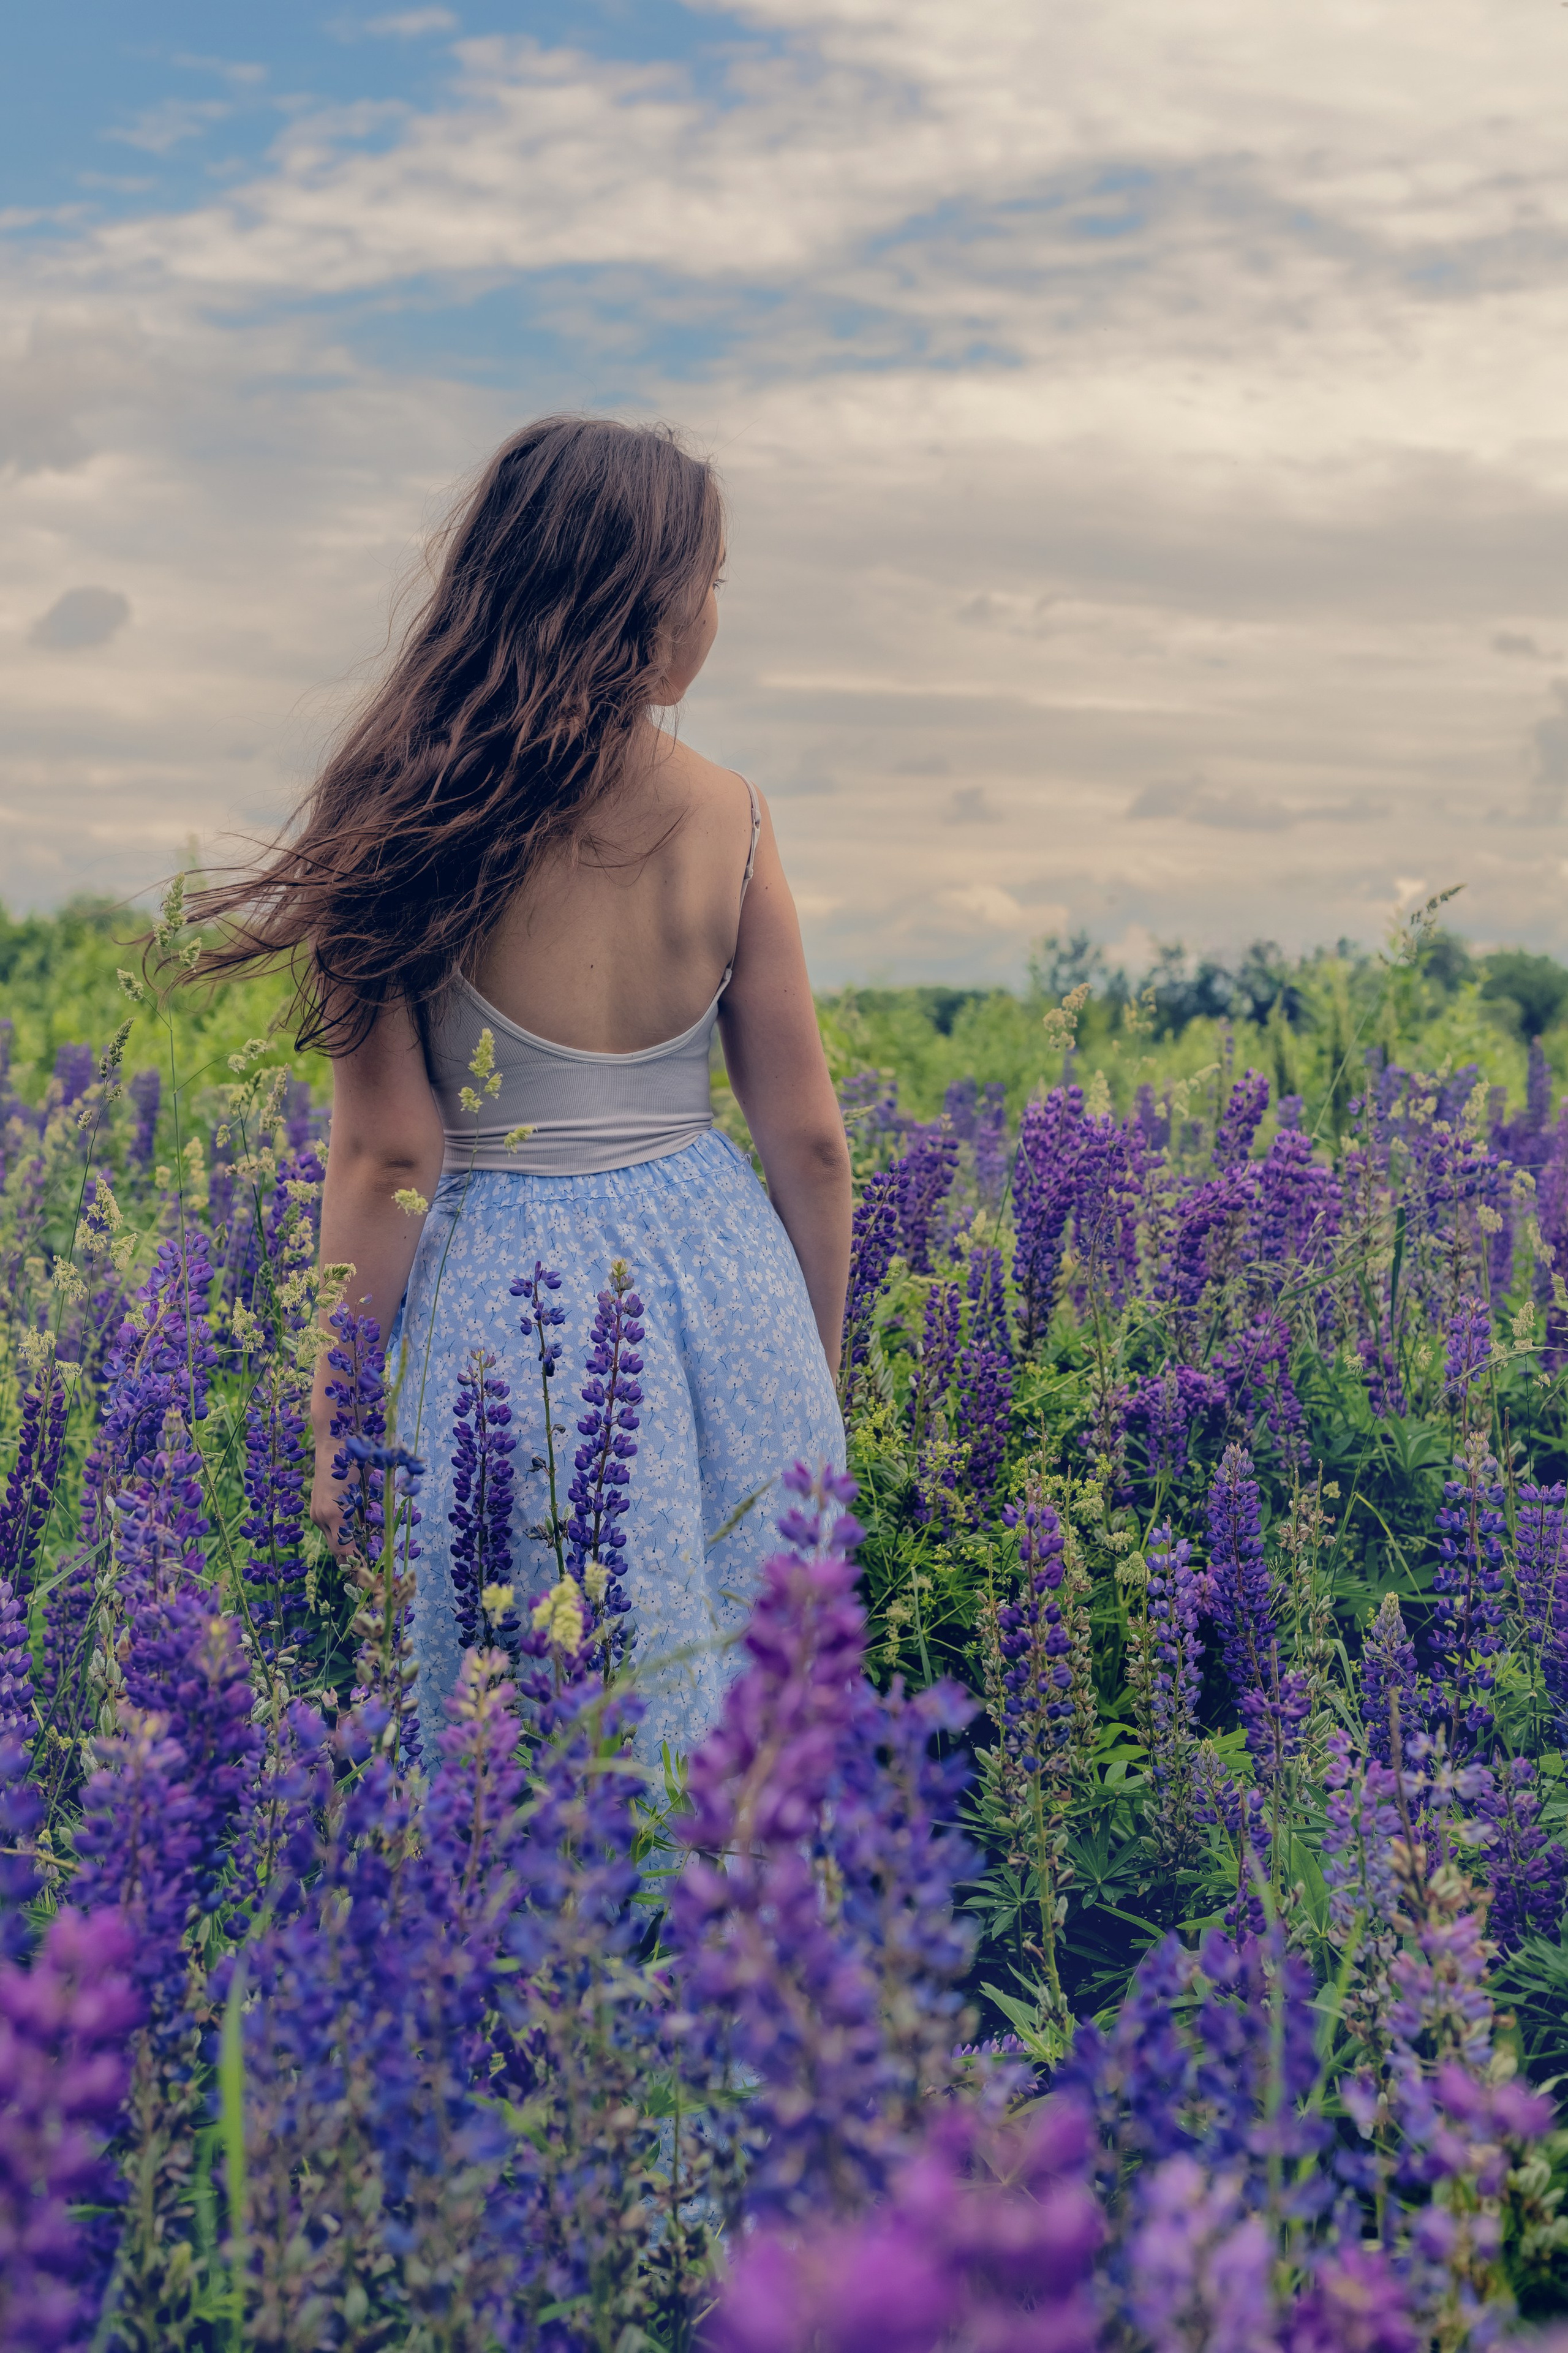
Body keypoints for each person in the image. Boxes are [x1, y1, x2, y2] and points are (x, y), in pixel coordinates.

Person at [190, 416, 851, 1754]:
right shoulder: (736, 813)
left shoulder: (398, 814)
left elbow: (386, 1157)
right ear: (649, 604)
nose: (714, 611)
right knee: (753, 1721)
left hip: (505, 1301)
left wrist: (338, 1426)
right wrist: (809, 1377)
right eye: (708, 578)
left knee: (524, 1716)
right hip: (723, 1282)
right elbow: (811, 1144)